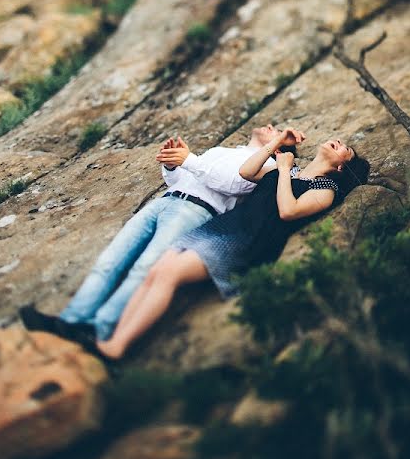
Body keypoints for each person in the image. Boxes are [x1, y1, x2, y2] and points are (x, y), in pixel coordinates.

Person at [95, 130, 370, 360]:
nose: (340, 143)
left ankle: (118, 346)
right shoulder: (289, 168)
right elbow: (246, 171)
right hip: (225, 226)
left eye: (345, 149)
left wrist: (284, 170)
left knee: (169, 274)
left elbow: (288, 210)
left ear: (340, 167)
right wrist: (276, 144)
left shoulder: (325, 191)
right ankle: (113, 339)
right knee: (156, 271)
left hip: (248, 240)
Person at [19, 124, 293, 346]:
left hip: (196, 211)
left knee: (144, 268)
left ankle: (98, 329)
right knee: (111, 260)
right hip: (166, 200)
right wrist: (173, 166)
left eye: (277, 131)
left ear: (279, 147)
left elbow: (232, 183)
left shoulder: (266, 167)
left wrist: (190, 160)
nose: (271, 126)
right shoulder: (222, 150)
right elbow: (184, 179)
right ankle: (70, 321)